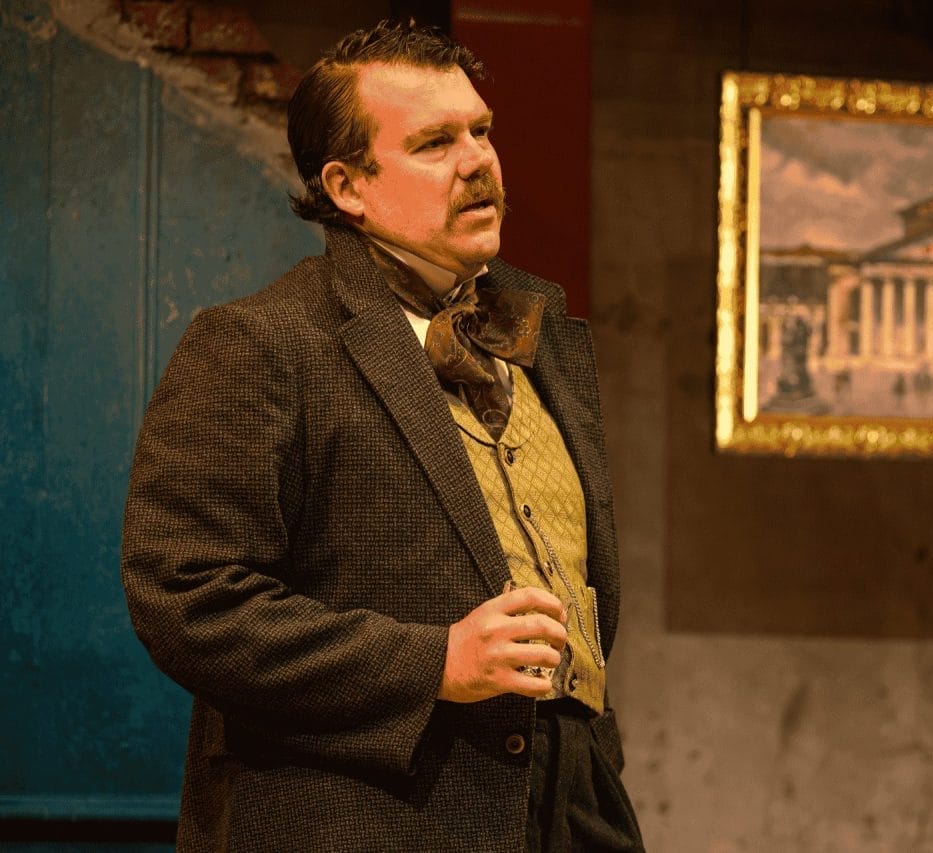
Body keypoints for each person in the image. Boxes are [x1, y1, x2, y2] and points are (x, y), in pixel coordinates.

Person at [121, 19, 642, 852]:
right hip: (365, 816)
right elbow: (188, 596)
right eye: (435, 142)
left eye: (482, 130)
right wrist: (432, 661)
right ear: (347, 185)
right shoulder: (264, 342)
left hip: (569, 812)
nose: (478, 159)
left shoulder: (542, 341)